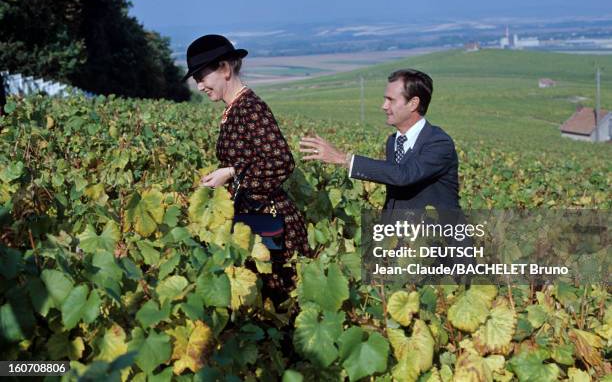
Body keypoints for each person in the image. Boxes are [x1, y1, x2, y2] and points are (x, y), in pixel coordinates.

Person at [183, 34, 313, 305]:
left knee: (276, 305)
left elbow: (281, 161)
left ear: (225, 69)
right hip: (252, 221)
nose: (199, 86)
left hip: (268, 225)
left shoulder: (250, 108)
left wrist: (231, 173)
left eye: (201, 77)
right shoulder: (235, 108)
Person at [300, 69, 460, 210]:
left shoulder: (439, 143)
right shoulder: (393, 141)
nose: (384, 106)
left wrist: (343, 158)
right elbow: (394, 191)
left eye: (391, 100)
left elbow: (404, 175)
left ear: (413, 104)